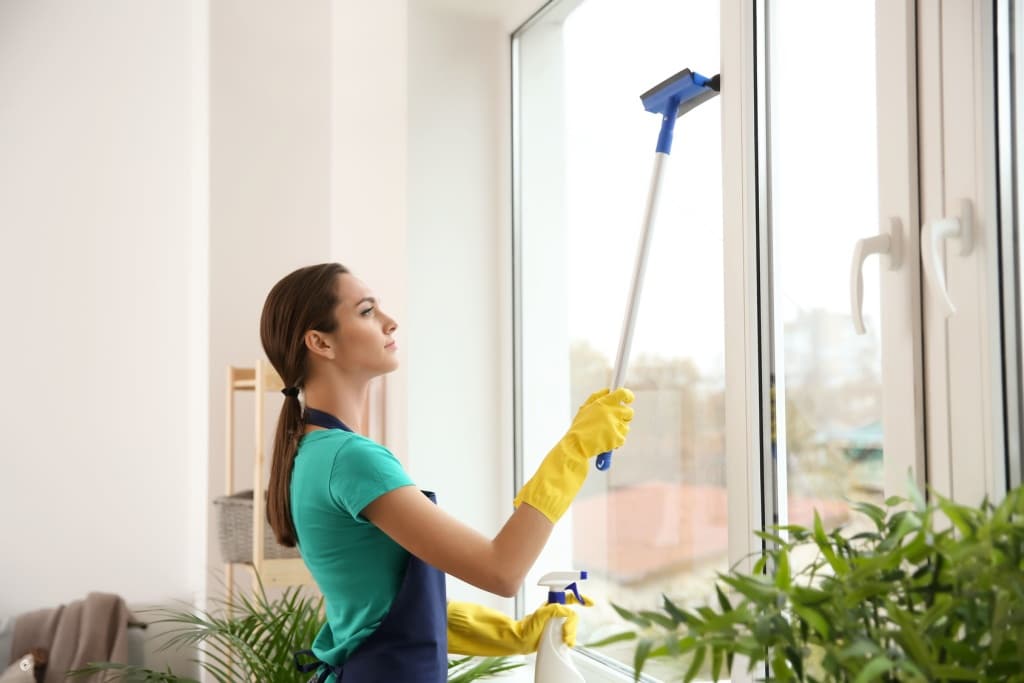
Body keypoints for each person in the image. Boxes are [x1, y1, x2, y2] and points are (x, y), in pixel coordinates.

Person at [259, 263, 634, 682]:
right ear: (319, 342)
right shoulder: (350, 459)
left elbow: (378, 611)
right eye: (366, 311)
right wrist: (575, 451)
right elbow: (502, 569)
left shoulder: (315, 452)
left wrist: (507, 635)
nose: (389, 321)